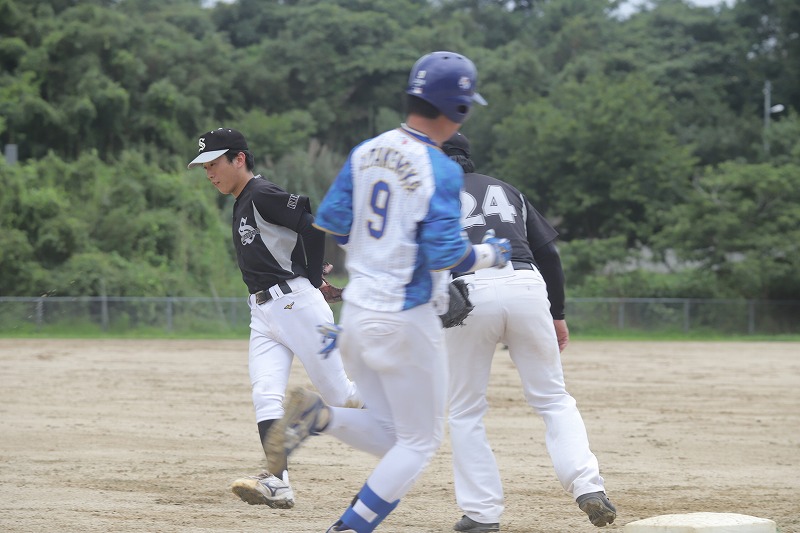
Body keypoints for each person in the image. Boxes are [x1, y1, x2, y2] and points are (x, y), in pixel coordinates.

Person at [261, 51, 511, 533]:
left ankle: (317, 417)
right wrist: (491, 254)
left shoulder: (366, 151)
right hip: (406, 319)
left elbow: (334, 223)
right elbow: (447, 254)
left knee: (394, 437)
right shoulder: (441, 168)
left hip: (356, 314)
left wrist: (378, 254)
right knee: (420, 442)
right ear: (457, 109)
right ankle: (350, 527)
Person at [441, 131, 617, 532]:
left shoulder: (427, 196)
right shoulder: (507, 190)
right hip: (527, 285)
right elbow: (549, 253)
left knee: (466, 410)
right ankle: (588, 486)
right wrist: (557, 313)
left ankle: (482, 515)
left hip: (467, 291)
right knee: (553, 399)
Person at [187, 127, 362, 509]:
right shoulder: (241, 201)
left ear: (239, 159)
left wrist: (311, 279)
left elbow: (310, 224)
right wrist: (306, 270)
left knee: (342, 397)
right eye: (205, 167)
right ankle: (278, 483)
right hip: (264, 312)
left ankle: (400, 394)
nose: (209, 172)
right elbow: (287, 243)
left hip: (295, 305)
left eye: (214, 163)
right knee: (265, 394)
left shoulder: (260, 193)